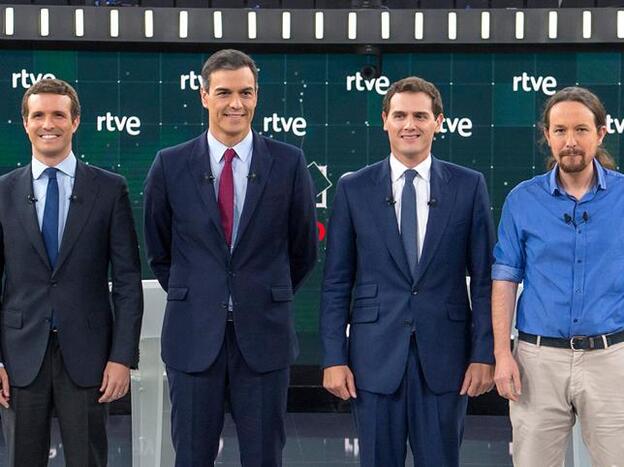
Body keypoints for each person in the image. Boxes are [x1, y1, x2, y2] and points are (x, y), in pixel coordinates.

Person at [143, 49, 318, 467]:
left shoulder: (289, 162)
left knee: (263, 457)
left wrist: (259, 292)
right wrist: (205, 291)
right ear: (204, 96)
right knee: (191, 456)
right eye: (224, 92)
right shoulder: (170, 164)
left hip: (264, 338)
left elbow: (303, 248)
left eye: (245, 92)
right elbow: (158, 249)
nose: (235, 103)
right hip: (193, 338)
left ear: (257, 96)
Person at [320, 76, 495, 467]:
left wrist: (484, 353)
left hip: (446, 360)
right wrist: (333, 357)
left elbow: (484, 280)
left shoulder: (469, 186)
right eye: (399, 115)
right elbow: (335, 283)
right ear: (385, 120)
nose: (409, 125)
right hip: (372, 358)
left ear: (439, 122)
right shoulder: (354, 188)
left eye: (420, 115)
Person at [0, 78, 143, 467]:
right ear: (25, 123)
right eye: (39, 115)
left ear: (75, 121)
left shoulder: (109, 189)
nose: (49, 123)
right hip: (19, 357)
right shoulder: (3, 192)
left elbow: (128, 281)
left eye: (59, 114)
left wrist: (121, 357)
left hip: (90, 357)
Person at [492, 86, 624, 467]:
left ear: (600, 133)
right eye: (560, 130)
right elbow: (504, 279)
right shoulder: (522, 199)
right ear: (547, 135)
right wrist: (503, 354)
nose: (570, 141)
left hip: (611, 358)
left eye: (581, 130)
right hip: (538, 361)